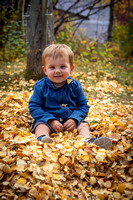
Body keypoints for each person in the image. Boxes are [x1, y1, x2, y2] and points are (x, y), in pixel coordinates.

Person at [29, 44, 112, 150]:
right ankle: (43, 139)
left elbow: (83, 105)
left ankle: (87, 140)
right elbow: (34, 107)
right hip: (48, 121)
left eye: (62, 67)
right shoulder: (41, 86)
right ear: (45, 70)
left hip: (71, 122)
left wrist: (74, 119)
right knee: (40, 126)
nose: (57, 71)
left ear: (71, 68)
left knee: (84, 125)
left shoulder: (75, 85)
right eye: (52, 67)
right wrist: (50, 120)